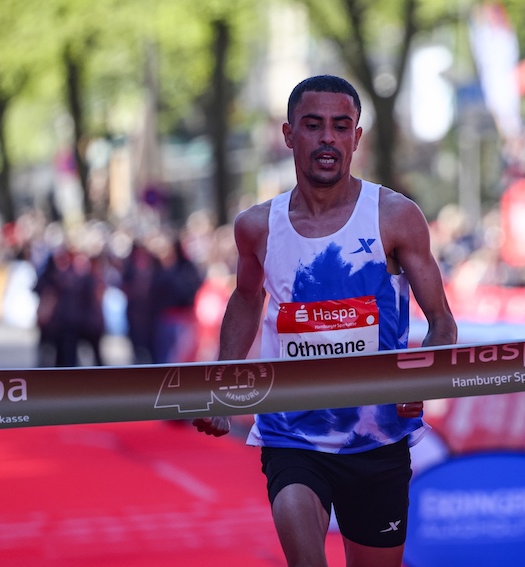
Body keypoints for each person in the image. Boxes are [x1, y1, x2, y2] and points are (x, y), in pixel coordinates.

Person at [192, 75, 457, 567]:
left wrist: (424, 377)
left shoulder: (395, 216)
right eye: (313, 125)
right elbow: (246, 300)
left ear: (357, 137)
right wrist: (221, 388)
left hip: (377, 437)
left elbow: (442, 321)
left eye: (341, 126)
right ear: (289, 135)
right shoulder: (257, 226)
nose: (328, 138)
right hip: (291, 433)